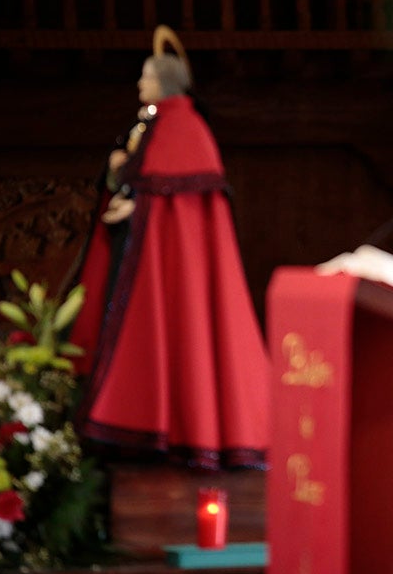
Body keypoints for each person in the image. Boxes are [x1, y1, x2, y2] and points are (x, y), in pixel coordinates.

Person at [69, 26, 271, 470]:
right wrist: (118, 174)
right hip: (136, 255)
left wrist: (137, 204)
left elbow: (168, 201)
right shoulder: (149, 123)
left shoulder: (187, 128)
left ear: (165, 82)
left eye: (146, 77)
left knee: (184, 338)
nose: (140, 85)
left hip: (166, 267)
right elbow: (133, 178)